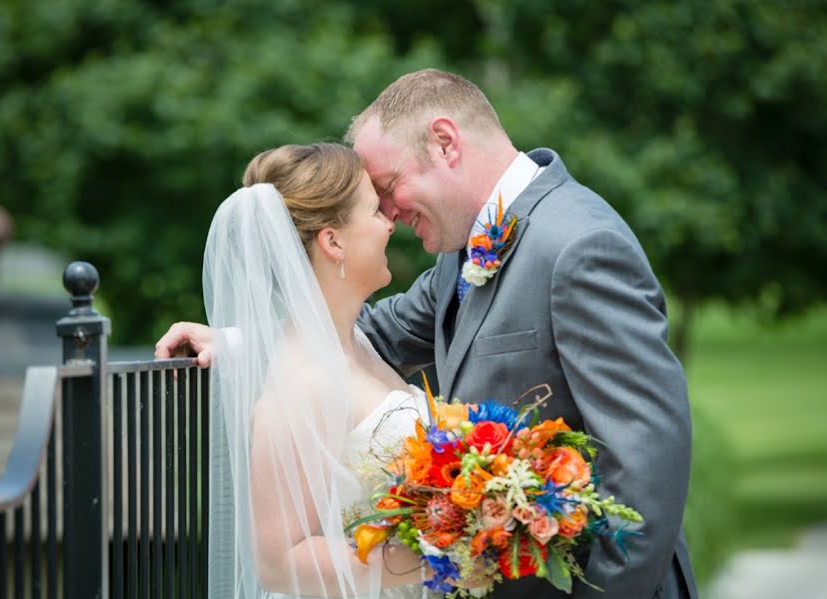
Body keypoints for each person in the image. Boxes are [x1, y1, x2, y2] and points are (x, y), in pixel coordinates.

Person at [158, 69, 697, 599]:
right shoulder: (461, 254)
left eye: (388, 188)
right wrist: (235, 343)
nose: (389, 212)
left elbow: (647, 466)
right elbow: (358, 331)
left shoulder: (578, 246)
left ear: (444, 143)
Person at [203, 143, 433, 598]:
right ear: (333, 241)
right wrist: (433, 554)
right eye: (373, 211)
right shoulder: (302, 380)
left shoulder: (356, 345)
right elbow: (277, 562)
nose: (390, 223)